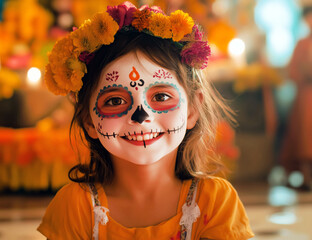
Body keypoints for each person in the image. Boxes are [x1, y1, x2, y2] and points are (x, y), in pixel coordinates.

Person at [38, 2, 254, 239]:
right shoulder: (75, 207)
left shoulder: (214, 203)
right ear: (88, 120)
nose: (141, 116)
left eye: (161, 96)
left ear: (192, 109)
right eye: (114, 101)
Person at [280, 5, 312, 191]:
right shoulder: (302, 43)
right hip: (306, 96)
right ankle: (306, 176)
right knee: (304, 136)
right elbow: (292, 71)